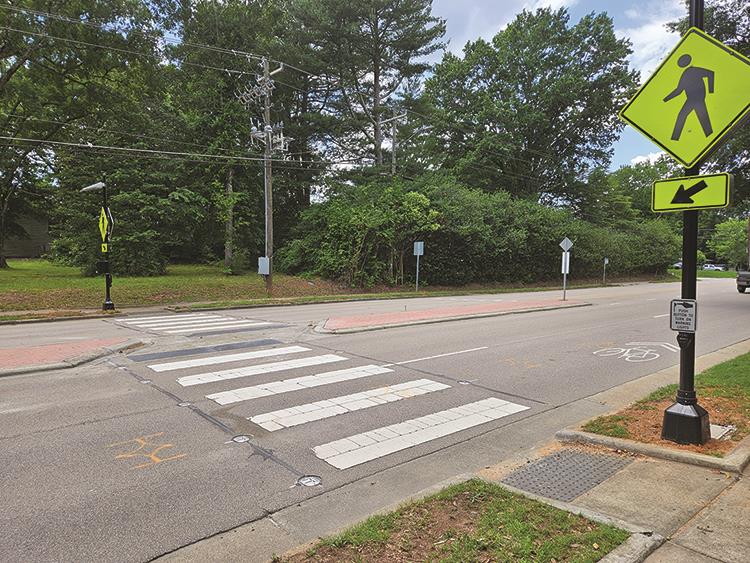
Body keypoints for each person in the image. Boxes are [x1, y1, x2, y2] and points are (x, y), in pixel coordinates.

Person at [663, 54, 714, 141]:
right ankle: (675, 138)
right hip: (692, 99)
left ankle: (675, 138)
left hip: (697, 98)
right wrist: (665, 99)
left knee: (688, 116)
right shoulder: (685, 74)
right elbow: (679, 90)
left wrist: (711, 90)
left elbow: (710, 74)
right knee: (698, 117)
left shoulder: (694, 70)